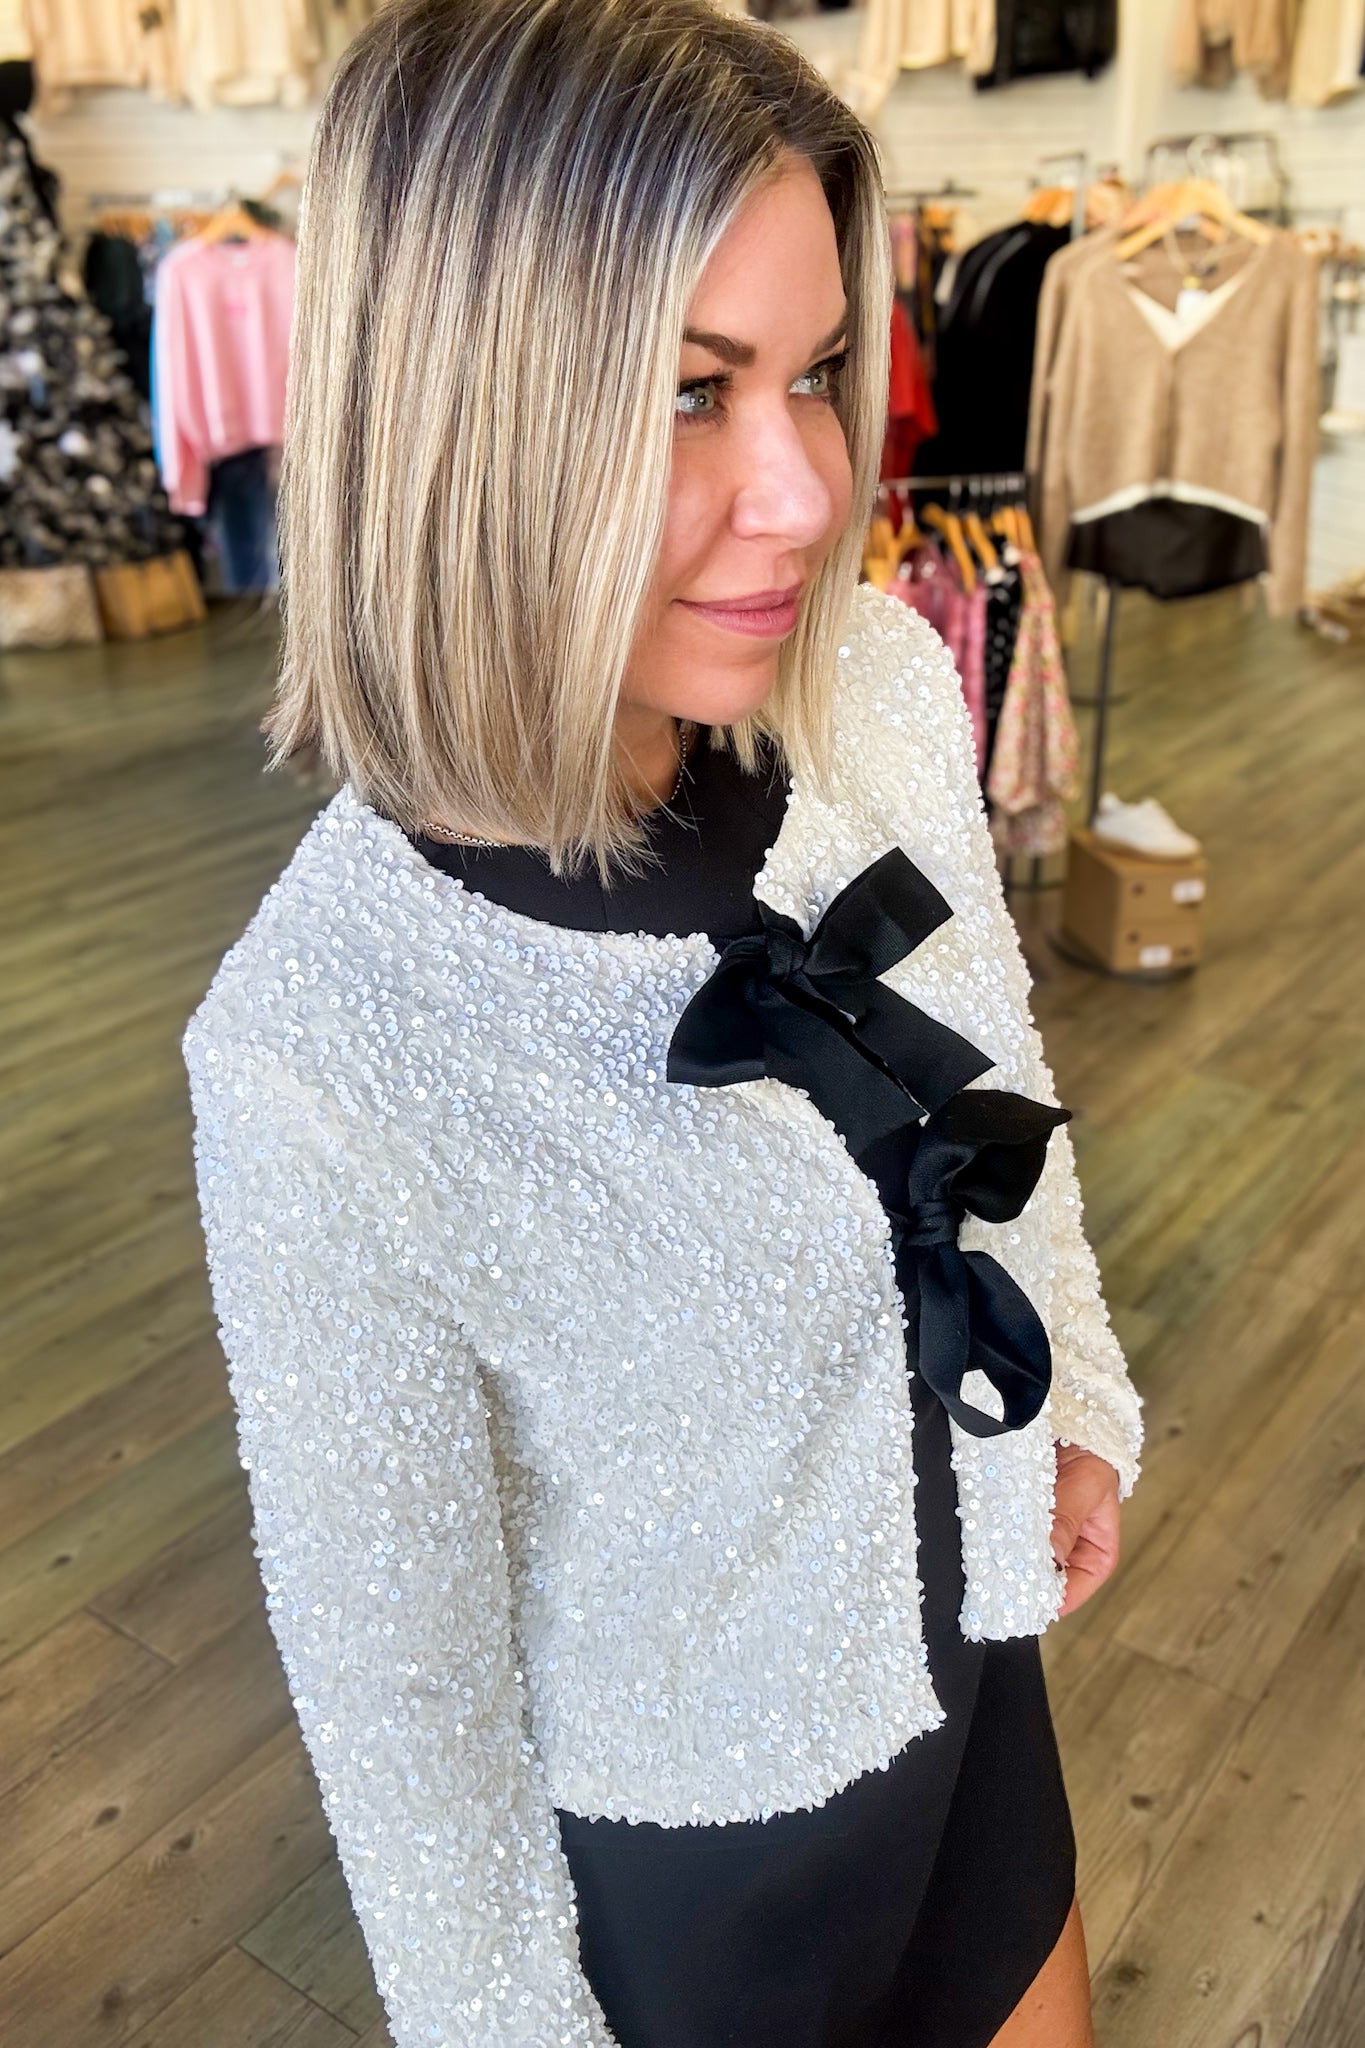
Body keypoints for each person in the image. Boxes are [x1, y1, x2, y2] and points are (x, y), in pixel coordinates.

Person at [181, 3, 1144, 2045]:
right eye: (689, 391)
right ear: (460, 415)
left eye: (814, 376)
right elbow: (403, 1695)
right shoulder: (314, 1052)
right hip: (702, 1880)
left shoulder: (878, 688)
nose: (801, 494)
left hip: (978, 1698)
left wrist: (1065, 1389)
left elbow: (996, 1077)